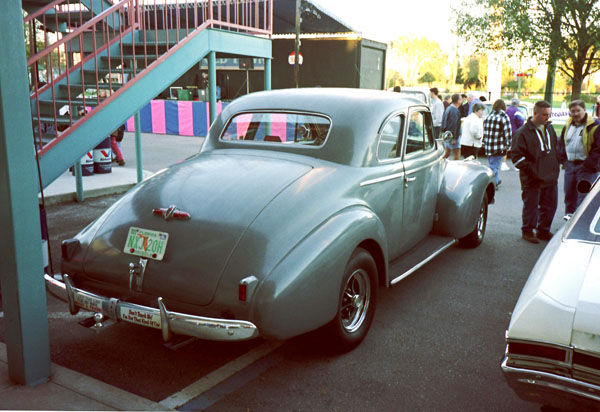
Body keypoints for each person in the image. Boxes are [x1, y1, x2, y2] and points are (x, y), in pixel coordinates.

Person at [510, 101, 560, 243]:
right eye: (544, 114)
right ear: (534, 113)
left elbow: (555, 148)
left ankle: (543, 231)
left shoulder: (549, 129)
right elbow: (516, 157)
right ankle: (527, 231)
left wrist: (557, 163)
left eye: (549, 114)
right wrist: (532, 170)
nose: (547, 117)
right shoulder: (522, 133)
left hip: (550, 177)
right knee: (531, 206)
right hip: (533, 178)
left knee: (550, 205)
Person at [556, 100, 600, 214]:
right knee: (569, 196)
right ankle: (568, 222)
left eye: (578, 110)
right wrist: (563, 160)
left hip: (586, 168)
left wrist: (589, 165)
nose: (575, 114)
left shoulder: (594, 126)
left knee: (583, 197)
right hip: (570, 166)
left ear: (585, 110)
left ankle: (580, 224)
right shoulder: (568, 125)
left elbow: (598, 149)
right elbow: (561, 142)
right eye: (573, 111)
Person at [483, 99, 512, 190]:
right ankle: (492, 183)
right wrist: (508, 144)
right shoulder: (504, 117)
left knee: (492, 163)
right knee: (494, 166)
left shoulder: (488, 117)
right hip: (499, 146)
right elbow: (508, 132)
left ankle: (496, 179)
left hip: (488, 145)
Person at [503, 98, 525, 170]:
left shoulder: (506, 111)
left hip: (506, 131)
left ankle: (503, 163)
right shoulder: (517, 112)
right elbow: (520, 122)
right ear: (518, 104)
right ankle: (516, 165)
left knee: (506, 148)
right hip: (515, 132)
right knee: (515, 148)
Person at [441, 93, 462, 160]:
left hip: (447, 135)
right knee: (457, 154)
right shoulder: (454, 110)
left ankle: (440, 163)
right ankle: (455, 168)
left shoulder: (449, 108)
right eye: (461, 99)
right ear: (458, 101)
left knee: (447, 153)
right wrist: (454, 138)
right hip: (451, 136)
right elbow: (453, 124)